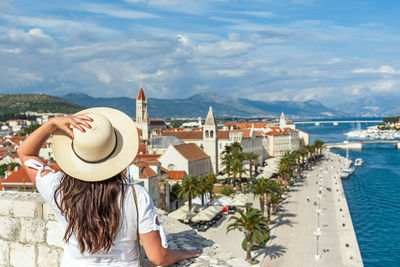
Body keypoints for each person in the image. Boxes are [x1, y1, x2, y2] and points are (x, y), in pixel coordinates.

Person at [18, 107, 199, 267]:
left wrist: (52, 125)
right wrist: (179, 254)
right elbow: (158, 257)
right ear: (117, 153)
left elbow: (25, 153)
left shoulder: (57, 188)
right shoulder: (135, 196)